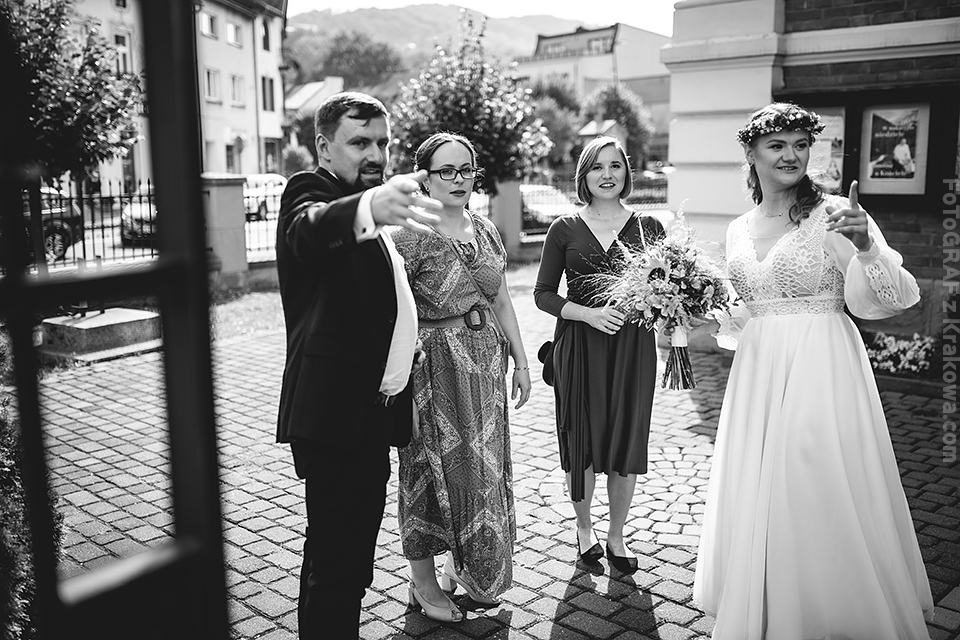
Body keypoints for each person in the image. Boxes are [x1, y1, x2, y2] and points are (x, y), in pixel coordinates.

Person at [693, 102, 933, 638]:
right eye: (777, 145)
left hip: (822, 363)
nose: (792, 155)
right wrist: (697, 311)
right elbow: (749, 309)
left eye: (801, 145)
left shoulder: (836, 214)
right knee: (762, 483)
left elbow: (895, 297)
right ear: (751, 153)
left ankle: (832, 607)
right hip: (758, 370)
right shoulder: (738, 227)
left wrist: (867, 247)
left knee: (811, 476)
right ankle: (770, 603)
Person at [275, 91, 442, 638]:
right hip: (334, 416)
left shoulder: (369, 211)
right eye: (360, 142)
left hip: (370, 415)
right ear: (324, 146)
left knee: (343, 558)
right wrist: (368, 208)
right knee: (338, 563)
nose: (375, 154)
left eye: (383, 143)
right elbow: (307, 229)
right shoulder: (311, 191)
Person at [390, 132, 531, 622]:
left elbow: (500, 299)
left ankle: (467, 567)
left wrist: (521, 360)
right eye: (446, 170)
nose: (458, 179)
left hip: (486, 365)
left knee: (481, 473)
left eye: (466, 169)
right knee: (427, 472)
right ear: (425, 177)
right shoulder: (408, 234)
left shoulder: (486, 229)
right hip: (433, 369)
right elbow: (393, 311)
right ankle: (423, 584)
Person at [533, 136, 663, 574]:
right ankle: (584, 527)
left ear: (627, 171)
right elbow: (543, 294)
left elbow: (664, 288)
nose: (607, 175)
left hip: (633, 348)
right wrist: (588, 314)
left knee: (626, 438)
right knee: (582, 441)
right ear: (583, 176)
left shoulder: (650, 227)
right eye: (597, 167)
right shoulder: (564, 228)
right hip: (579, 346)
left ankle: (617, 535)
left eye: (615, 165)